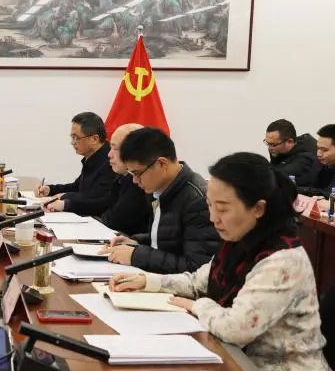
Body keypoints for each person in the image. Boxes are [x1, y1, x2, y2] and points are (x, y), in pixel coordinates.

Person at [109, 152, 333, 371]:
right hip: (239, 369)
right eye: (210, 205)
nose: (213, 218)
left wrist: (197, 305)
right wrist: (147, 281)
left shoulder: (282, 260)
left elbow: (236, 329)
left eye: (223, 209)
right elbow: (197, 282)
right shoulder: (240, 241)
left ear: (258, 208)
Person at [103, 127, 219, 273]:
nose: (134, 180)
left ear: (161, 164)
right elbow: (169, 240)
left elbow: (196, 267)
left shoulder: (197, 200)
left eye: (137, 173)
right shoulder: (161, 188)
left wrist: (136, 255)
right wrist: (136, 242)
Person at [35, 112, 117, 217]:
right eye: (72, 137)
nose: (72, 142)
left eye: (76, 137)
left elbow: (98, 199)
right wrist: (50, 189)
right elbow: (77, 187)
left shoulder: (111, 162)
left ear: (94, 139)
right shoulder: (92, 158)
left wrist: (65, 198)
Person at [99, 122, 152, 233]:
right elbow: (105, 207)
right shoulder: (122, 177)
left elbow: (114, 221)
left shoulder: (140, 182)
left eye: (115, 149)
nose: (109, 154)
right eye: (110, 148)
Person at [297, 123, 335, 197]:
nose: (319, 154)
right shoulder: (319, 162)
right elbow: (304, 182)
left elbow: (329, 194)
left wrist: (297, 190)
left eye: (324, 150)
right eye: (318, 148)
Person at [264, 119, 320, 187]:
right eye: (268, 143)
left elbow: (277, 177)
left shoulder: (306, 159)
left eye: (273, 144)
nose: (270, 148)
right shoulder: (279, 151)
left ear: (290, 142)